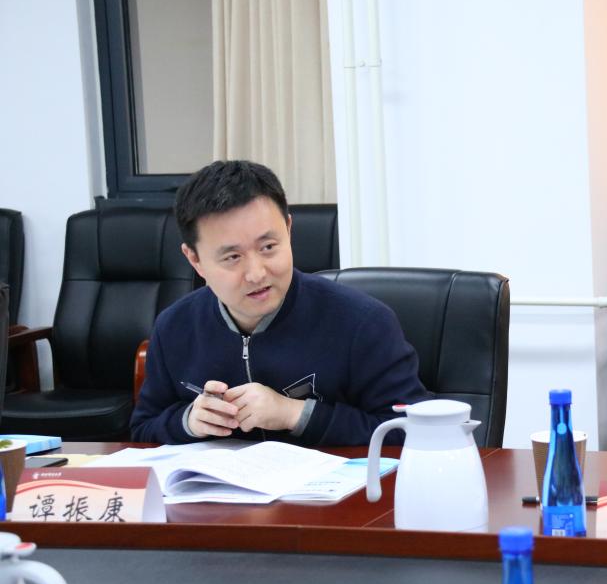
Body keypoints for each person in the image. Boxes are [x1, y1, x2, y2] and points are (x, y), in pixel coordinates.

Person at [130, 160, 431, 445]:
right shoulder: (174, 326)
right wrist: (188, 421)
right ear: (194, 259)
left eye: (268, 247)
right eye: (232, 257)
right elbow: (142, 430)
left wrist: (295, 414)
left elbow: (413, 432)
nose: (257, 274)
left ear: (288, 229)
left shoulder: (362, 322)